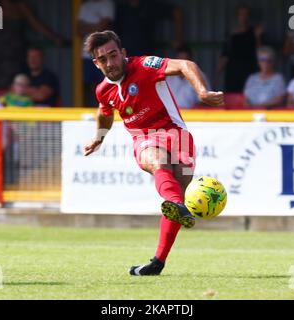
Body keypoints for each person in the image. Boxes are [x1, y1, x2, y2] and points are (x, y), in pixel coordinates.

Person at [83, 31, 224, 276]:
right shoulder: (103, 90)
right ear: (96, 63)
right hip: (144, 138)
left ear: (123, 53)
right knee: (158, 162)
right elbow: (105, 113)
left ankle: (158, 261)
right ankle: (178, 204)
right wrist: (99, 137)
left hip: (177, 134)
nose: (110, 63)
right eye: (103, 59)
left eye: (113, 55)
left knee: (177, 191)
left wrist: (202, 92)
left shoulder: (145, 66)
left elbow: (185, 65)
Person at [0, 0, 63, 88]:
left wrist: (53, 37)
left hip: (15, 54)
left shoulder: (20, 6)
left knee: (16, 82)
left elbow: (36, 23)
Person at [215, 4, 264, 92]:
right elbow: (224, 56)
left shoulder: (254, 32)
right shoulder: (231, 34)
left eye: (246, 14)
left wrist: (258, 37)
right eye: (241, 14)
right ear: (237, 16)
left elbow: (261, 52)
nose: (243, 17)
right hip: (233, 73)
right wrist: (217, 74)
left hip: (250, 72)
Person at [77, 0, 115, 106]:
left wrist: (87, 27)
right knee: (86, 86)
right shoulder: (85, 6)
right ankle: (88, 110)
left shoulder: (107, 3)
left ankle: (105, 108)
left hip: (104, 53)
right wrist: (96, 27)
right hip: (86, 54)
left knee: (106, 83)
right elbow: (78, 30)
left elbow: (104, 26)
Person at [115, 0, 184, 56]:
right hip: (125, 58)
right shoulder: (120, 8)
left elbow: (177, 12)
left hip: (146, 58)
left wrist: (178, 38)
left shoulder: (151, 6)